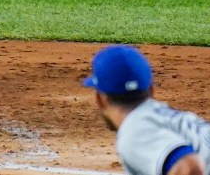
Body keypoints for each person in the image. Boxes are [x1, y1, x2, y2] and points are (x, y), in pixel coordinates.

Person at [83, 45, 210, 175]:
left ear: (99, 99)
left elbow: (188, 168)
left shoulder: (134, 129)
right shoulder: (174, 120)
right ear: (151, 90)